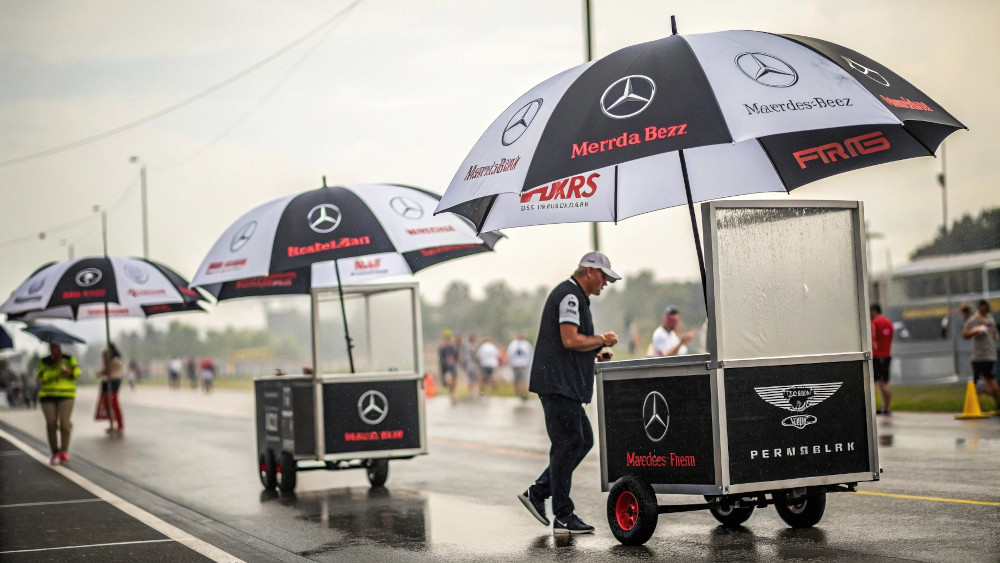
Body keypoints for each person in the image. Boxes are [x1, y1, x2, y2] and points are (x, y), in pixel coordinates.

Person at [518, 251, 620, 535]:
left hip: (562, 384)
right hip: (558, 385)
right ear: (589, 271)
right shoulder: (570, 297)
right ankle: (562, 514)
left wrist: (594, 354)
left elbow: (568, 345)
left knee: (582, 440)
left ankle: (539, 492)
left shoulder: (575, 297)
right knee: (569, 442)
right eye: (604, 276)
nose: (606, 283)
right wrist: (600, 339)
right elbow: (569, 339)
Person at [36, 343, 81, 465]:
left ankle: (64, 451)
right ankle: (55, 451)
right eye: (52, 348)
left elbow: (77, 371)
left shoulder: (68, 359)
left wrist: (69, 371)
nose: (54, 350)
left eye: (56, 348)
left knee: (65, 424)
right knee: (51, 423)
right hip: (48, 396)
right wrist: (55, 373)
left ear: (60, 348)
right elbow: (41, 376)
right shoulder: (44, 361)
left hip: (66, 395)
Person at [962, 300, 1000, 406]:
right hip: (978, 356)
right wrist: (975, 330)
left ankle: (995, 401)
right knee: (977, 382)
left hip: (990, 355)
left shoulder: (990, 319)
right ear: (981, 306)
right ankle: (973, 404)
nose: (988, 308)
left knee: (992, 382)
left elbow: (996, 335)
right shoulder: (974, 320)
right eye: (986, 306)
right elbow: (965, 334)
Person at [870, 304, 894, 415]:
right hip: (887, 355)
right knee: (885, 382)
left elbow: (873, 340)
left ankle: (871, 407)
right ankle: (886, 407)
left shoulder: (874, 323)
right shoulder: (888, 322)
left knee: (875, 383)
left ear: (873, 311)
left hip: (877, 355)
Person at [98, 343, 125, 433]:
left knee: (114, 402)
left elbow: (116, 372)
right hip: (107, 384)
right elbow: (105, 371)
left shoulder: (116, 360)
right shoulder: (109, 361)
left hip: (114, 383)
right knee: (107, 404)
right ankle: (112, 424)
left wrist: (108, 373)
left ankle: (120, 425)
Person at [507, 334, 533, 401]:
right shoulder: (527, 344)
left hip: (515, 364)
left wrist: (511, 363)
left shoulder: (513, 344)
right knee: (525, 380)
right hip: (524, 364)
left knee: (517, 379)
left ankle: (518, 393)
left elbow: (509, 354)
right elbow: (530, 354)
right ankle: (525, 393)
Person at [438, 330, 459, 404]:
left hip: (453, 367)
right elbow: (441, 359)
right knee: (449, 381)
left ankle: (453, 394)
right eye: (446, 339)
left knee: (454, 382)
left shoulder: (453, 347)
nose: (447, 340)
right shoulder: (442, 348)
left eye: (448, 338)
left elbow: (456, 356)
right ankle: (452, 394)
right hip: (446, 368)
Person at [461, 333, 481, 399]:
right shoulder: (472, 346)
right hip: (472, 365)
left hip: (468, 365)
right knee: (475, 379)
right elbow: (474, 356)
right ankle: (474, 393)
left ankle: (471, 393)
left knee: (471, 379)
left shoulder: (466, 346)